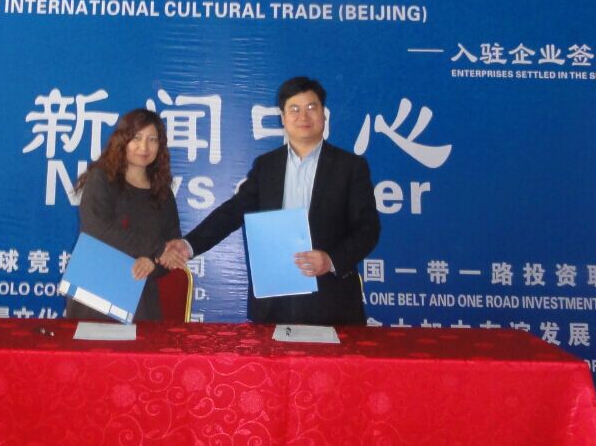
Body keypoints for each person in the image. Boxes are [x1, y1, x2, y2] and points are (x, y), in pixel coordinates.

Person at [160, 77, 379, 325]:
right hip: (274, 303)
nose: (303, 116)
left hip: (332, 300)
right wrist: (189, 245)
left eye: (311, 107)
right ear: (283, 118)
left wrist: (330, 260)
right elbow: (232, 212)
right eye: (294, 109)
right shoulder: (267, 166)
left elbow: (368, 229)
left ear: (324, 114)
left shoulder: (350, 167)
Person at [65, 108, 182, 322]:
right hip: (95, 293)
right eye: (136, 137)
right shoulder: (102, 178)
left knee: (142, 345)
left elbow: (172, 247)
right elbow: (96, 229)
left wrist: (153, 264)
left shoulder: (163, 192)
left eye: (152, 139)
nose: (144, 147)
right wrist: (155, 249)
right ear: (122, 140)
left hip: (141, 298)